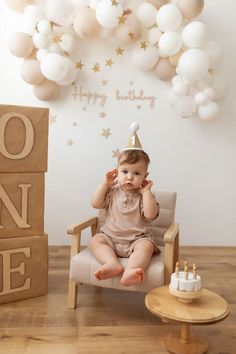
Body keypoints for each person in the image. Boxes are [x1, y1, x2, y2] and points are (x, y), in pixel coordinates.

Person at [89, 123, 159, 286]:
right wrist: (105, 184)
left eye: (137, 173)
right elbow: (95, 203)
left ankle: (131, 270)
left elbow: (150, 215)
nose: (129, 177)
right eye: (125, 171)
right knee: (96, 240)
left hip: (136, 240)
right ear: (117, 171)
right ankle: (111, 263)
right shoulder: (112, 191)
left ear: (145, 176)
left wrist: (146, 193)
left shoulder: (145, 196)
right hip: (110, 239)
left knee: (146, 246)